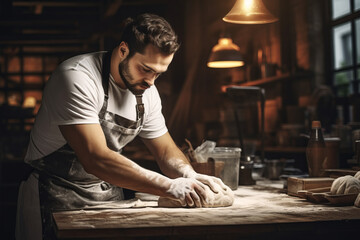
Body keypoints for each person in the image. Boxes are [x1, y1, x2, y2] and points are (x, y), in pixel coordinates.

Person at [15, 13, 228, 240]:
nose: (151, 81)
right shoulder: (77, 78)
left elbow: (166, 150)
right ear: (123, 50)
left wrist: (189, 174)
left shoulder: (147, 92)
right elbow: (95, 158)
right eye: (145, 69)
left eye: (158, 73)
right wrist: (169, 186)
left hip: (107, 197)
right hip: (52, 196)